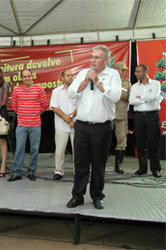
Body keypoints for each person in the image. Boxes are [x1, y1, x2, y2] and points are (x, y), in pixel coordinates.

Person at [66, 45, 121, 209]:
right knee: (80, 163)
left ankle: (97, 196)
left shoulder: (113, 75)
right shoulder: (84, 73)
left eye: (97, 57)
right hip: (82, 126)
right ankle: (77, 196)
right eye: (92, 57)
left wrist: (98, 82)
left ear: (106, 60)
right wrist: (85, 81)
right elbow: (71, 93)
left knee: (98, 164)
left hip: (101, 127)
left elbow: (116, 96)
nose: (93, 60)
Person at [8, 69, 47, 182]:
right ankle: (17, 173)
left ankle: (31, 172)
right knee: (19, 149)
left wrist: (34, 114)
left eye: (28, 76)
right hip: (21, 125)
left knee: (34, 149)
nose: (27, 78)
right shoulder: (16, 90)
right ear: (21, 78)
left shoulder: (39, 89)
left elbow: (43, 106)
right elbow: (15, 107)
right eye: (24, 77)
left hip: (35, 125)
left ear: (32, 77)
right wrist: (25, 114)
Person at [129, 64, 162, 178]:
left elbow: (153, 96)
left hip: (152, 115)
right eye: (135, 72)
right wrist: (143, 98)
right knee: (140, 143)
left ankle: (155, 169)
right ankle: (142, 168)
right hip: (139, 116)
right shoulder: (134, 86)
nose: (136, 74)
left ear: (146, 72)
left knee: (154, 143)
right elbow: (132, 101)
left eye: (138, 72)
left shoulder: (156, 84)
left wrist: (140, 98)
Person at [50, 70, 77, 180]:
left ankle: (78, 171)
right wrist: (66, 118)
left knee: (77, 150)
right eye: (68, 75)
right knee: (60, 150)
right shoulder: (57, 91)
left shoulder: (77, 91)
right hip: (61, 125)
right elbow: (55, 108)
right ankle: (59, 171)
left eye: (72, 75)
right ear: (62, 78)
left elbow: (81, 106)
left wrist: (70, 117)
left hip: (75, 125)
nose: (70, 77)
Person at [113, 62, 131, 174]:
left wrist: (123, 95)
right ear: (115, 70)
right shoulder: (107, 81)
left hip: (121, 114)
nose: (124, 72)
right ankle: (102, 162)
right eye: (121, 69)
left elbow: (129, 95)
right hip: (108, 114)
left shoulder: (126, 82)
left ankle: (118, 164)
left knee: (121, 139)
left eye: (124, 70)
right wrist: (117, 94)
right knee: (103, 139)